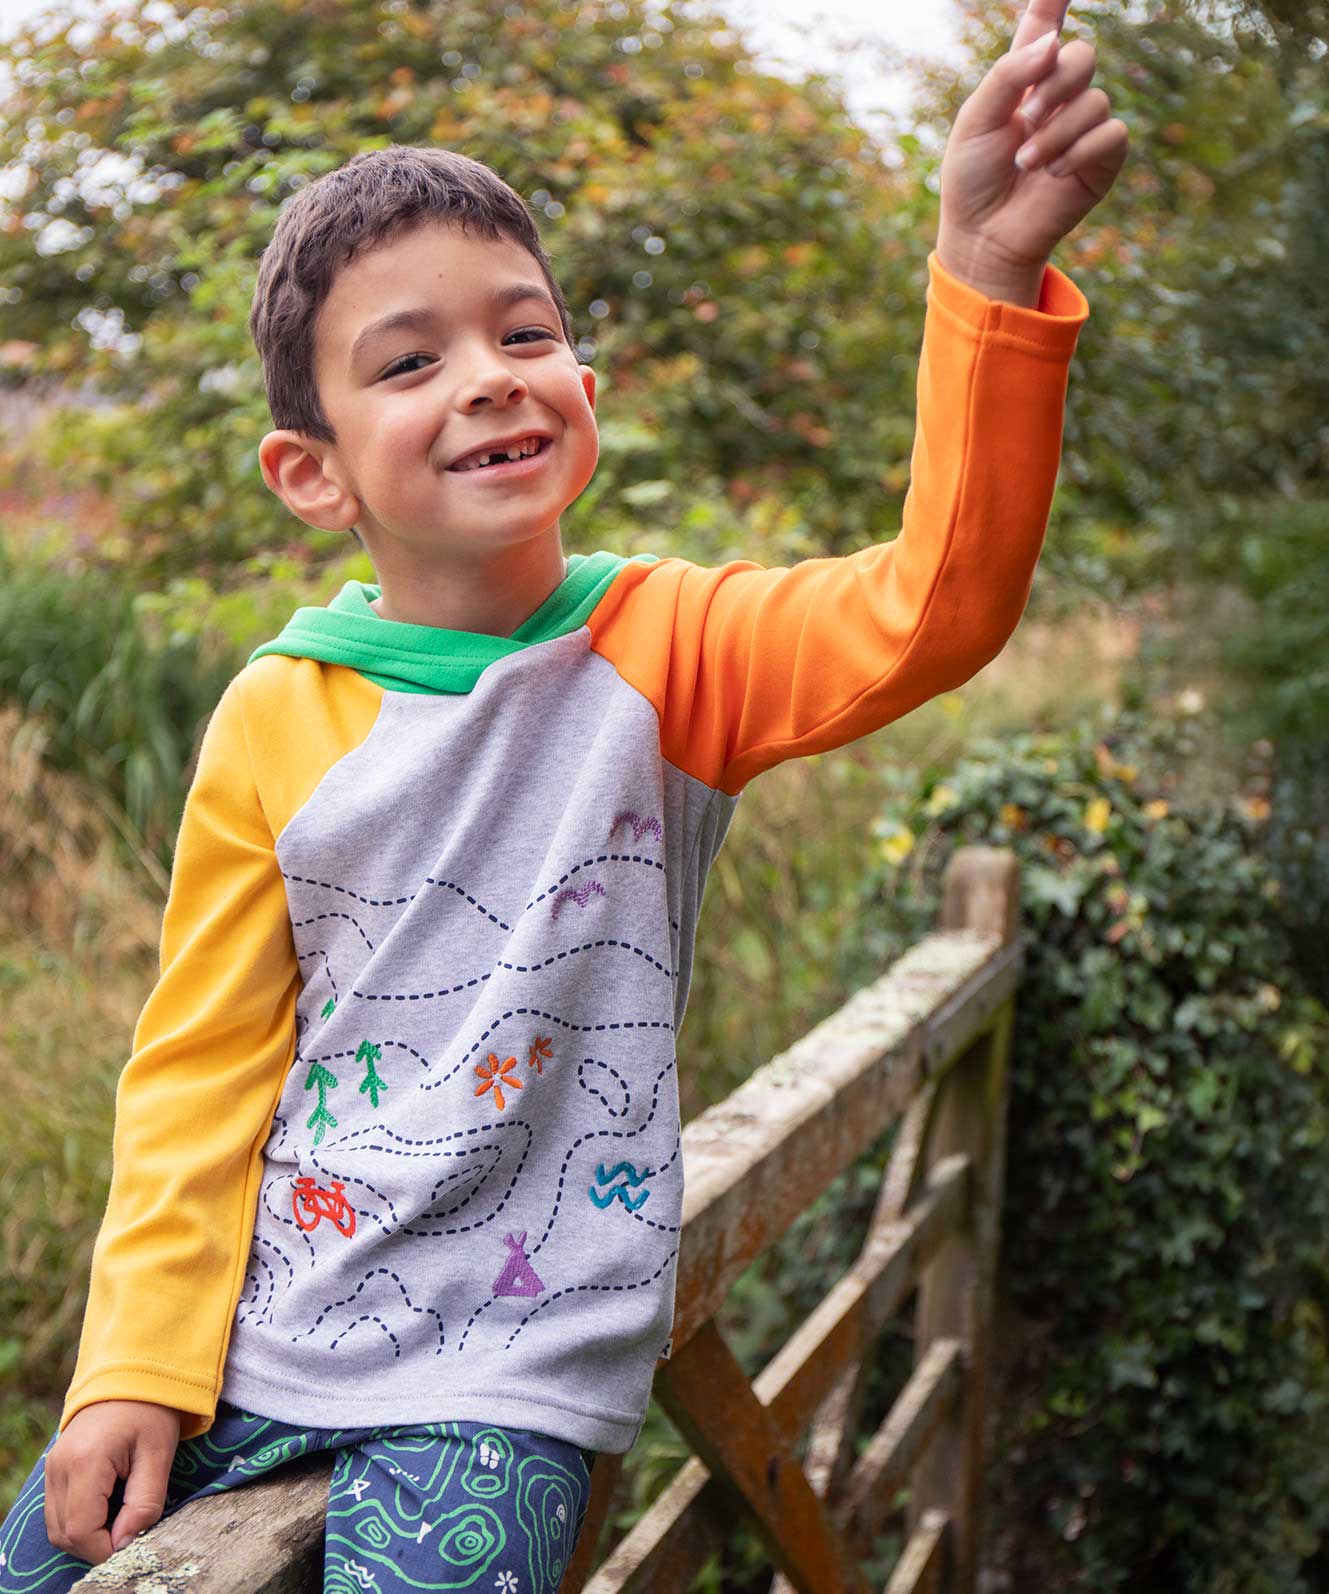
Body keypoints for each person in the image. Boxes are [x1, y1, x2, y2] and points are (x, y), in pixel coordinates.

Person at [0, 3, 1127, 1589]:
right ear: (310, 470)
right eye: (410, 360)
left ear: (580, 383)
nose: (487, 380)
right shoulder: (275, 709)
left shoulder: (670, 649)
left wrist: (986, 271)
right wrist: (127, 1366)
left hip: (506, 1376)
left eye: (524, 335)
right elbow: (196, 1069)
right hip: (254, 1344)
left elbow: (931, 606)